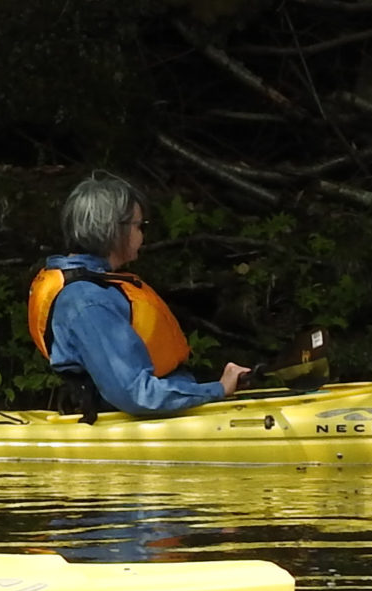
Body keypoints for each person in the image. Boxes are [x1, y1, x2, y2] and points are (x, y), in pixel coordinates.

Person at [27, 172, 248, 418]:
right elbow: (136, 394)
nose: (143, 235)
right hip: (136, 420)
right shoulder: (88, 302)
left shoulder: (94, 286)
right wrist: (218, 389)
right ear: (113, 230)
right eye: (139, 226)